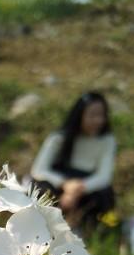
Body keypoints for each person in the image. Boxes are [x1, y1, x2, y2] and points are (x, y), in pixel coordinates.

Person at [30, 92, 116, 228]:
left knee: (103, 195)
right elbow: (38, 170)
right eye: (92, 115)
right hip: (59, 183)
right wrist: (65, 185)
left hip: (86, 186)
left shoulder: (107, 141)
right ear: (79, 115)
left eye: (101, 115)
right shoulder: (58, 138)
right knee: (41, 189)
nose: (98, 121)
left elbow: (104, 176)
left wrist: (77, 190)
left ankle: (89, 230)